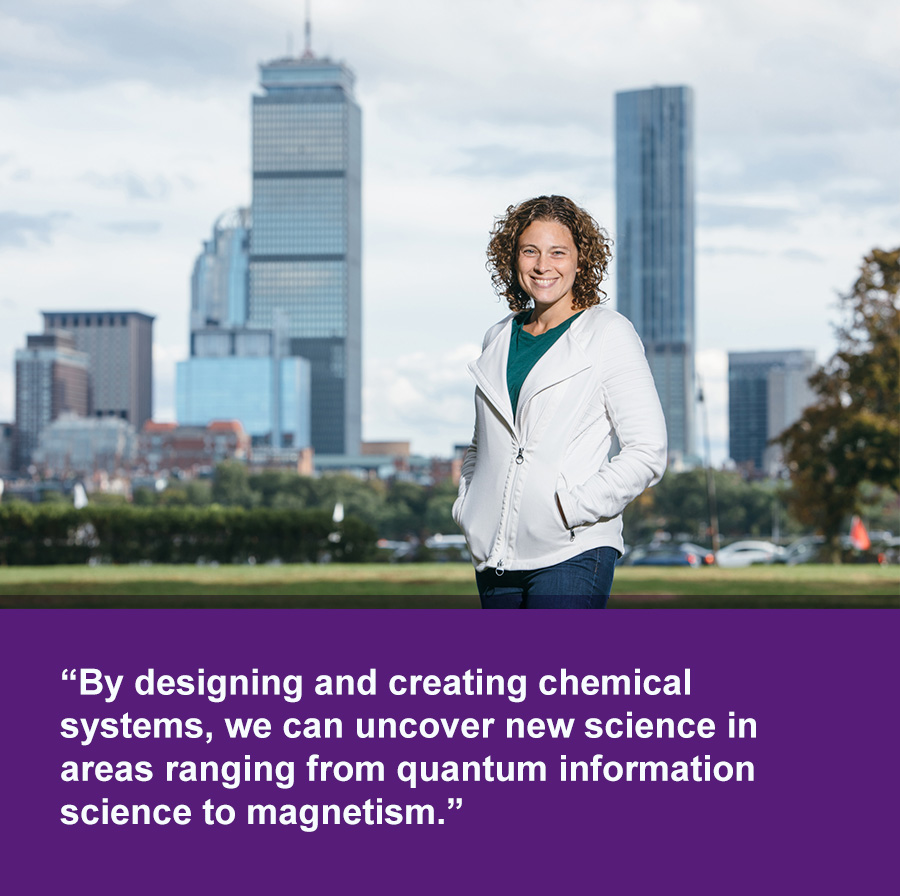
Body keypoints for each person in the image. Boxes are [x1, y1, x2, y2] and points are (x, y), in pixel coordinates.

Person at [453, 195, 667, 608]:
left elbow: (648, 451)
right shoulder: (497, 337)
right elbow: (483, 445)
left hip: (573, 550)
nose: (542, 265)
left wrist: (569, 509)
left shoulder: (608, 333)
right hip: (495, 556)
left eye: (558, 252)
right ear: (512, 258)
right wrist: (469, 508)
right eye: (529, 251)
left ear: (580, 260)